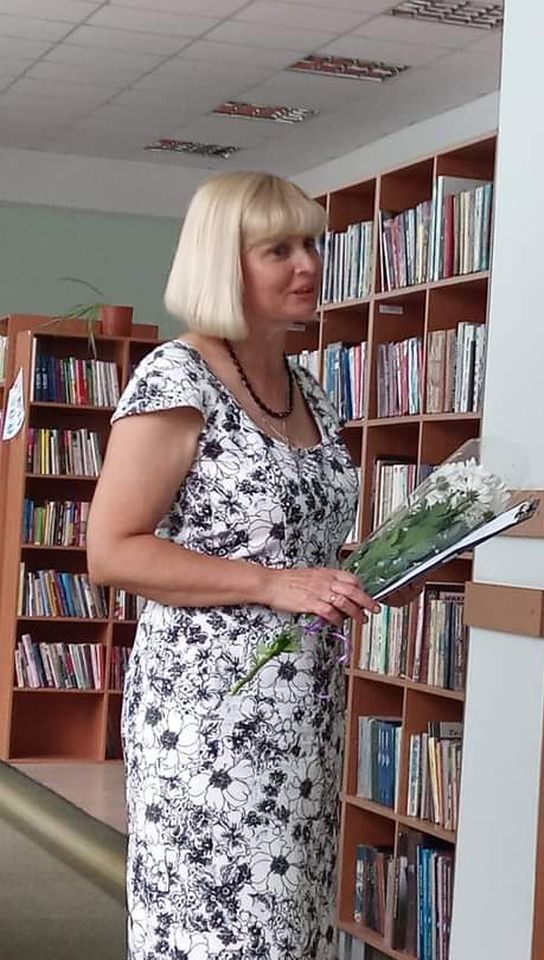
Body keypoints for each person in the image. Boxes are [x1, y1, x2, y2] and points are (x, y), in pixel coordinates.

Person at [86, 171, 381, 960]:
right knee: (220, 934)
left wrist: (376, 562)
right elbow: (111, 550)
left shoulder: (312, 391)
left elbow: (293, 545)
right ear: (225, 262)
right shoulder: (176, 378)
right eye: (278, 249)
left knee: (290, 931)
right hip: (210, 718)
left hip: (304, 710)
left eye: (311, 243)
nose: (308, 263)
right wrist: (272, 585)